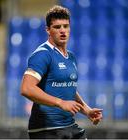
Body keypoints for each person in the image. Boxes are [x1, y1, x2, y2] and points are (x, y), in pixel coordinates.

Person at [20, 5, 102, 139]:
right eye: (57, 27)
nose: (63, 31)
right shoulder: (43, 55)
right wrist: (60, 102)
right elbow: (26, 88)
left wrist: (86, 110)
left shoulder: (71, 57)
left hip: (69, 126)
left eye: (66, 26)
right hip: (47, 130)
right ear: (48, 30)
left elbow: (67, 87)